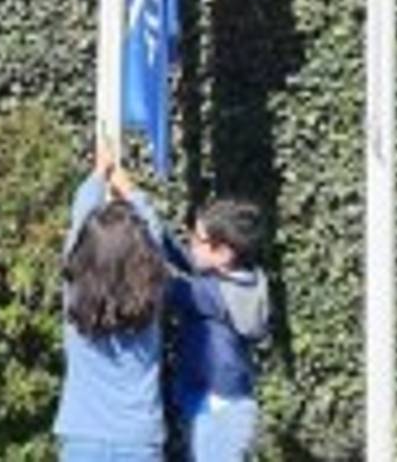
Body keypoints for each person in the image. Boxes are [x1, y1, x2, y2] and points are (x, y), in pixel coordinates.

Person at [52, 142, 170, 461]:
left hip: (82, 438)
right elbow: (154, 232)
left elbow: (79, 223)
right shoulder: (153, 294)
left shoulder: (74, 291)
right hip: (139, 439)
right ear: (144, 256)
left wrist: (98, 174)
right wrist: (127, 186)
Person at [166, 198, 270, 462]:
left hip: (217, 415)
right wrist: (152, 227)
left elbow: (166, 288)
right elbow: (188, 259)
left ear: (223, 253)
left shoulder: (214, 295)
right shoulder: (243, 280)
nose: (190, 241)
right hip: (221, 406)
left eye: (198, 239)